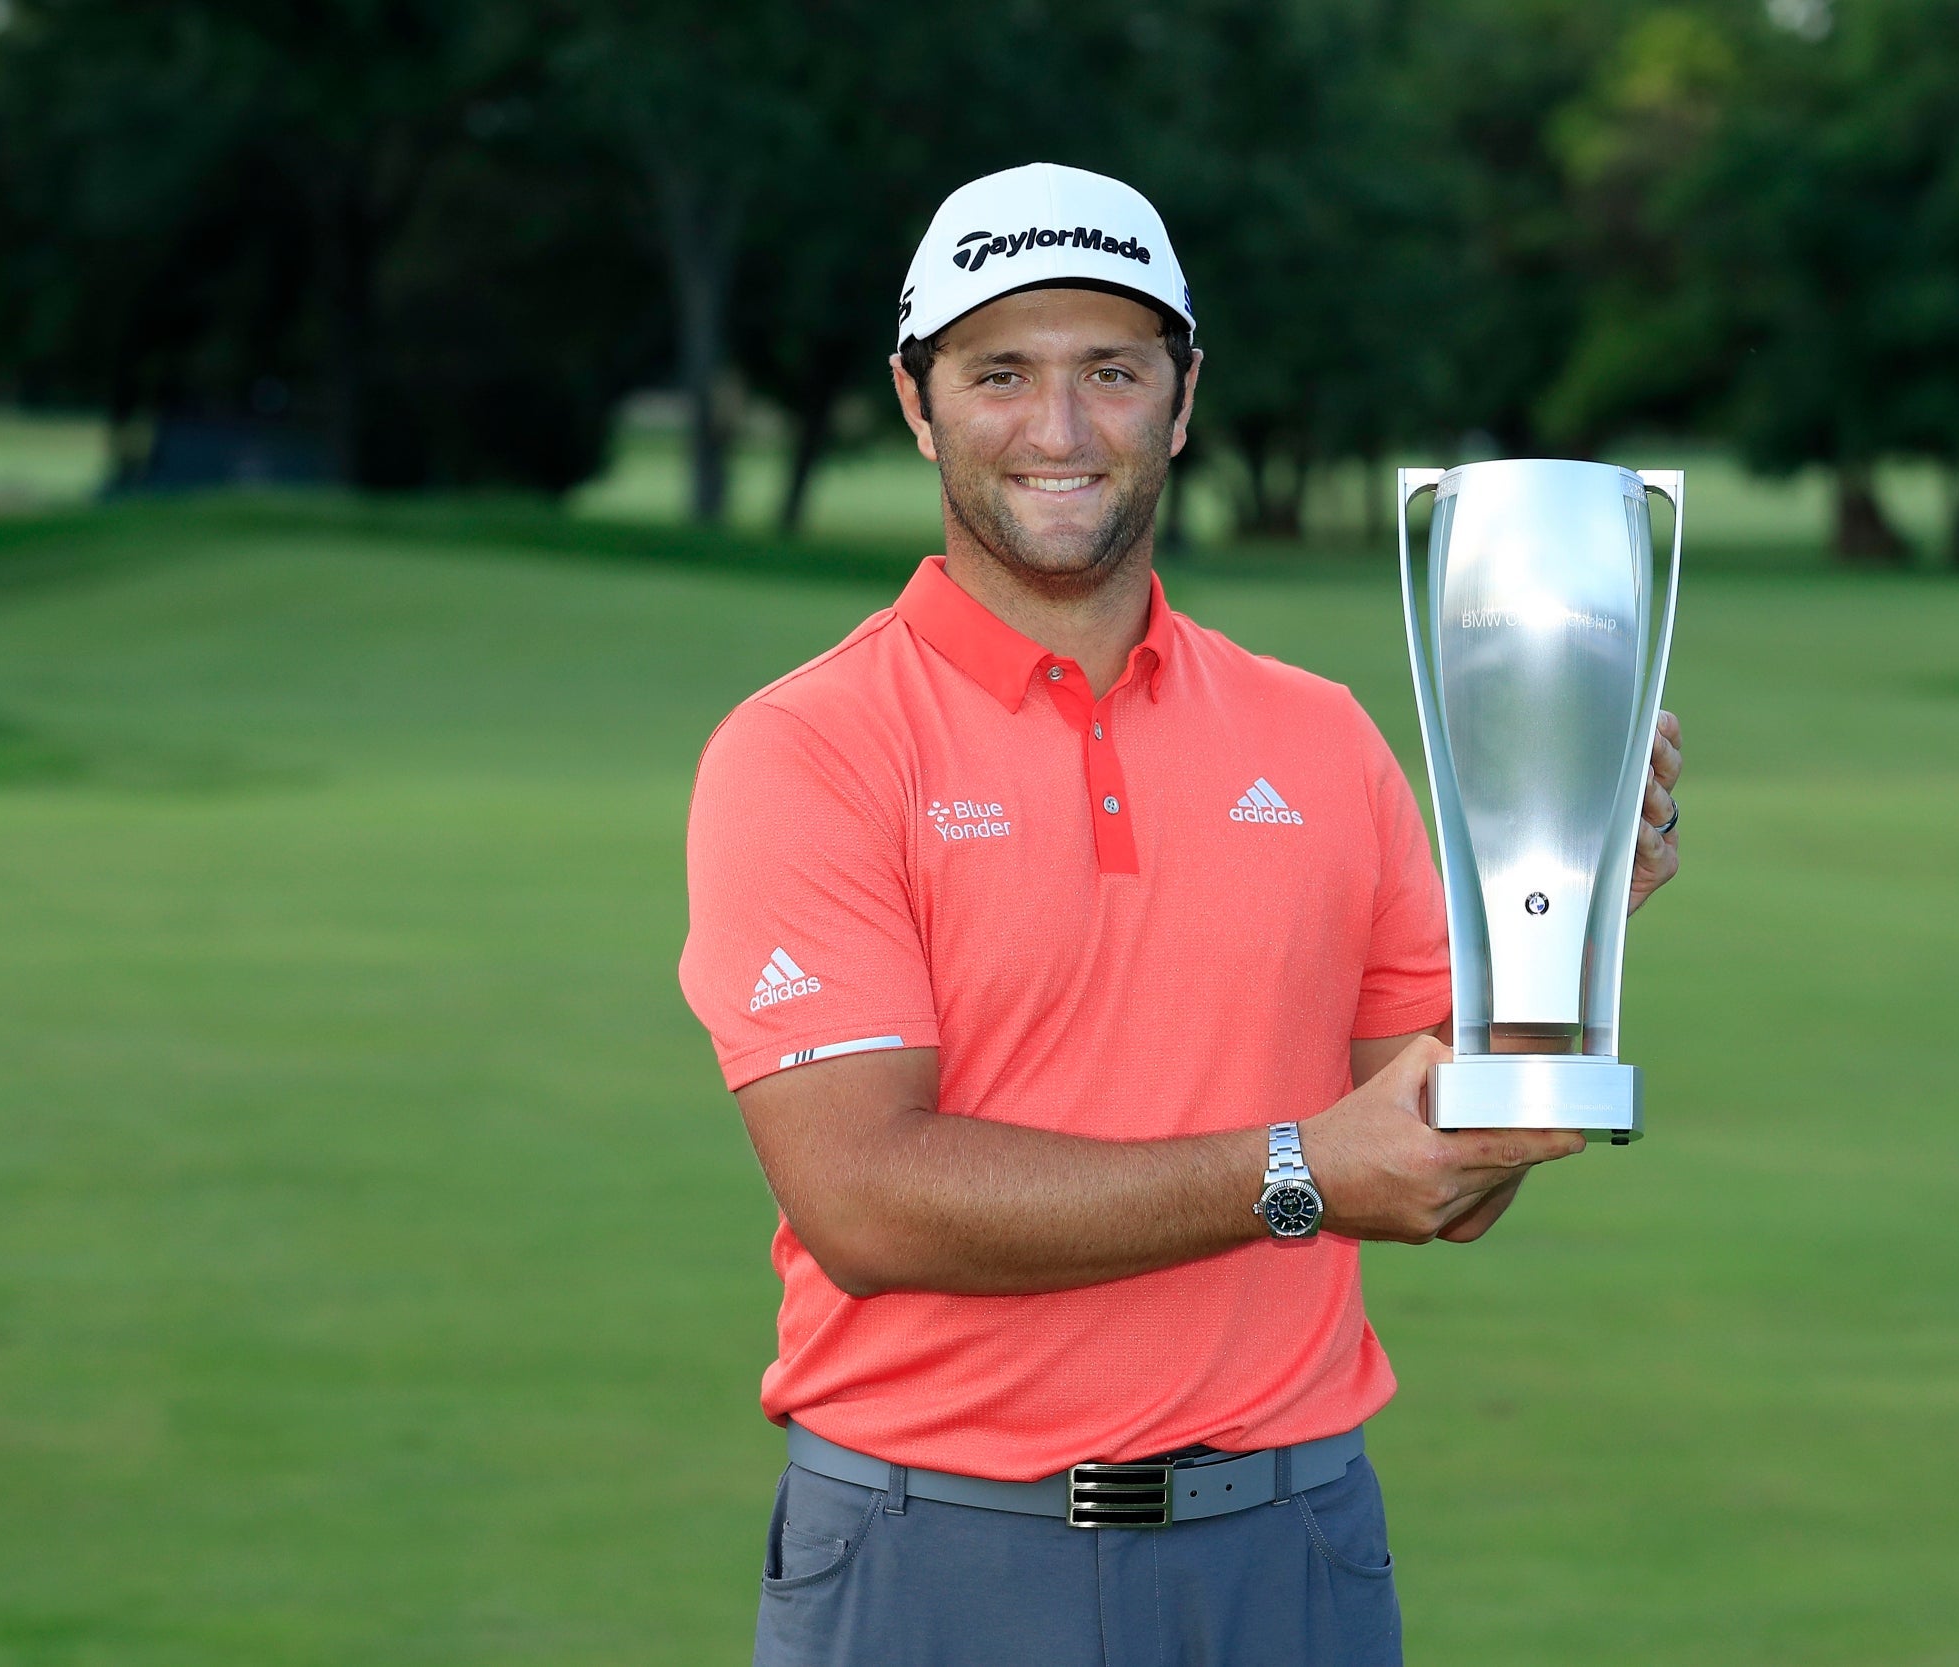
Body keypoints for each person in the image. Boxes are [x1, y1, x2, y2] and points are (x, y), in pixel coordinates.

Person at [680, 162, 1683, 1667]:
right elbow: (865, 1201)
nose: (1062, 430)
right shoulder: (811, 746)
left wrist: (1559, 924)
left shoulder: (1320, 735)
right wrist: (1295, 1172)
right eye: (1002, 373)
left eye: (1113, 372)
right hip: (935, 1554)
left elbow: (1444, 1183)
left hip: (1289, 1552)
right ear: (916, 400)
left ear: (1185, 394)